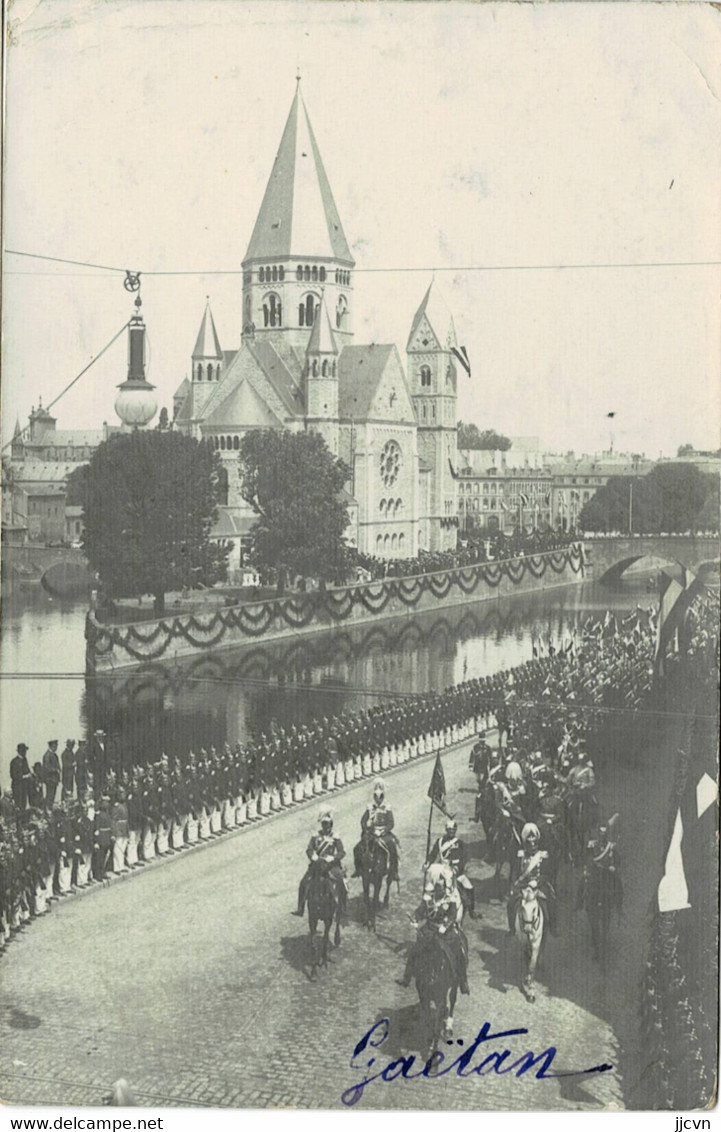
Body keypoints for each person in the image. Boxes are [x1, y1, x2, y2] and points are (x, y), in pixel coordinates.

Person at [398, 863, 469, 995]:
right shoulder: (429, 899)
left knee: (459, 950)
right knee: (415, 951)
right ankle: (406, 977)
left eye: (441, 888)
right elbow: (421, 911)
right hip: (430, 929)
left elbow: (452, 915)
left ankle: (463, 981)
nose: (439, 891)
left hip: (445, 931)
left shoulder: (449, 900)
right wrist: (415, 918)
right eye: (437, 889)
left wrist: (445, 926)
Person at [292, 808, 347, 917]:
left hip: (331, 866)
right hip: (317, 865)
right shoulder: (315, 835)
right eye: (323, 824)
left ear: (331, 824)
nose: (325, 826)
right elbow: (309, 849)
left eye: (327, 824)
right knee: (303, 883)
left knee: (342, 882)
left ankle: (343, 907)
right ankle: (300, 908)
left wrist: (334, 858)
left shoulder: (335, 837)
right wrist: (313, 856)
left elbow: (342, 851)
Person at [507, 822, 558, 936]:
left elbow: (547, 873)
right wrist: (514, 885)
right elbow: (515, 871)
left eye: (534, 843)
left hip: (539, 885)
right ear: (525, 844)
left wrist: (537, 881)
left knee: (552, 900)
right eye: (530, 844)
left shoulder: (543, 856)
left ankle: (553, 928)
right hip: (523, 886)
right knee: (511, 903)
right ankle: (512, 929)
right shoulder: (520, 856)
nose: (533, 846)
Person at [426, 816, 477, 919]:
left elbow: (464, 858)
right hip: (443, 870)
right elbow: (433, 854)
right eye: (449, 830)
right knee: (430, 887)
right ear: (446, 830)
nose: (451, 832)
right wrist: (428, 862)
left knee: (469, 888)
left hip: (456, 872)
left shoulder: (460, 843)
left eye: (453, 830)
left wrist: (458, 868)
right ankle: (426, 908)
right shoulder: (440, 842)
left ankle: (471, 910)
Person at [352, 778, 400, 882]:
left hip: (383, 833)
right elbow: (362, 821)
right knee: (357, 848)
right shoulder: (370, 808)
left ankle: (394, 870)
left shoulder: (387, 808)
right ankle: (358, 869)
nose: (378, 799)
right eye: (376, 797)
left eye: (380, 797)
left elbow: (391, 823)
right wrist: (366, 828)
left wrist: (384, 830)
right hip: (372, 833)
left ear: (383, 797)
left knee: (393, 847)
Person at [10, 744, 32, 811]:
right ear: (19, 751)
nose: (25, 752)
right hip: (17, 786)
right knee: (18, 804)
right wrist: (24, 776)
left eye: (25, 751)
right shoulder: (14, 761)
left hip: (24, 786)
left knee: (23, 803)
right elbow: (13, 775)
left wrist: (30, 774)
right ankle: (19, 820)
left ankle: (23, 820)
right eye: (23, 751)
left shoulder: (25, 760)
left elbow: (27, 770)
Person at [42, 740, 61, 808]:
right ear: (51, 746)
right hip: (50, 780)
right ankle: (47, 810)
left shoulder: (54, 755)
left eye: (56, 746)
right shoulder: (47, 755)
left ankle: (49, 809)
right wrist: (55, 770)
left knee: (52, 796)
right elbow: (46, 768)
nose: (56, 747)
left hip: (54, 780)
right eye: (55, 746)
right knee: (50, 796)